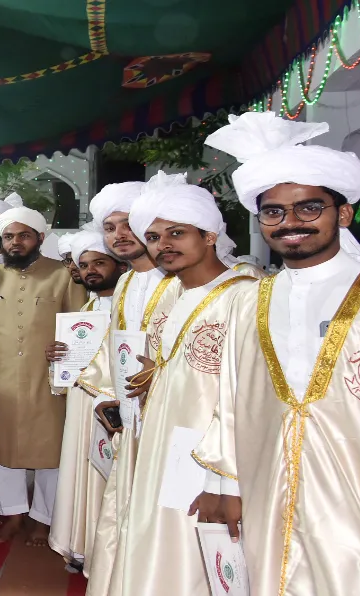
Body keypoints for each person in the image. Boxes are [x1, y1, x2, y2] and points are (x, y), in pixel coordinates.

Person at [189, 111, 360, 594]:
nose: (289, 222)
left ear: (343, 214)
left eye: (308, 208)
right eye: (272, 211)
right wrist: (225, 484)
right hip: (269, 497)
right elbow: (231, 401)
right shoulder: (247, 300)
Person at [86, 172, 257, 596]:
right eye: (156, 236)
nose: (164, 244)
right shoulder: (169, 291)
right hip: (157, 437)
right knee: (153, 536)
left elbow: (249, 396)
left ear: (210, 234)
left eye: (177, 233)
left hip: (206, 452)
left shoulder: (247, 294)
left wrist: (225, 477)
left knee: (189, 552)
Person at [73, 180, 185, 590]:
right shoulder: (126, 283)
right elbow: (114, 346)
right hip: (132, 418)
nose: (119, 235)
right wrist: (106, 394)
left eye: (128, 224)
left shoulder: (181, 279)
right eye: (110, 227)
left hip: (175, 420)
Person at [0, 207, 88, 547]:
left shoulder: (64, 274)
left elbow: (80, 324)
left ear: (39, 238)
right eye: (8, 237)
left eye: (23, 235)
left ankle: (43, 520)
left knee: (51, 451)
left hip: (49, 377)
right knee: (1, 449)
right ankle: (13, 515)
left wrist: (68, 357)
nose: (15, 242)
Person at [47, 229, 127, 571]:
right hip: (83, 403)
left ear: (119, 265)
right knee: (82, 472)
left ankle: (106, 553)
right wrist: (58, 356)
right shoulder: (89, 307)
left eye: (99, 262)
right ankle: (81, 544)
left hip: (112, 406)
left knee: (106, 476)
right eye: (83, 265)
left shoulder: (131, 304)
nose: (90, 270)